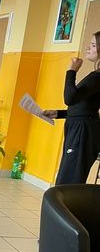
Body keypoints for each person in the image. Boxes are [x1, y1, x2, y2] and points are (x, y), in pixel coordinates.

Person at [43, 32, 100, 185]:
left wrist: (71, 71)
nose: (88, 48)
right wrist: (58, 113)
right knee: (68, 176)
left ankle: (65, 202)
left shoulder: (97, 78)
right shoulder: (95, 76)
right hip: (79, 127)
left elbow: (69, 98)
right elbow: (83, 106)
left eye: (93, 45)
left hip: (83, 131)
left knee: (68, 179)